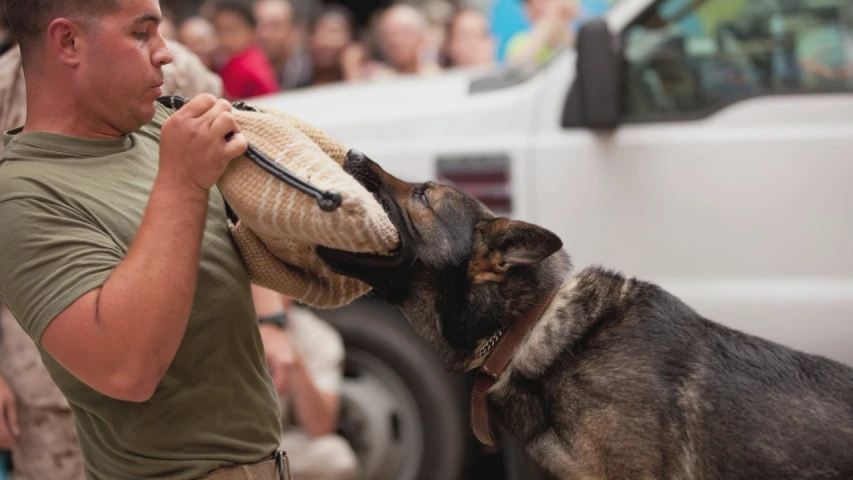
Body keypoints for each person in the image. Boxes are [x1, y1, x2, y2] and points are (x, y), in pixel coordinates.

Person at [0, 1, 290, 479]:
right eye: (141, 34)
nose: (166, 54)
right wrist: (181, 182)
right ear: (68, 42)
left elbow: (267, 226)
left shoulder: (161, 126)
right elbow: (127, 369)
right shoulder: (22, 197)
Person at [252, 288, 359, 480]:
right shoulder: (224, 324)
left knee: (335, 457)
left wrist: (294, 363)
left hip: (276, 447)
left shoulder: (316, 336)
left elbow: (321, 427)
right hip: (222, 444)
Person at [214, 1, 280, 99]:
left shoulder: (242, 67)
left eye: (232, 30)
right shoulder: (255, 56)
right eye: (219, 30)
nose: (224, 39)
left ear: (251, 31)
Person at [253, 0, 312, 90]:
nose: (264, 34)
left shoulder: (311, 71)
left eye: (275, 26)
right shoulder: (241, 70)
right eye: (258, 25)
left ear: (294, 31)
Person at [374, 4, 441, 77]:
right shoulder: (379, 82)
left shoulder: (438, 78)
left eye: (404, 33)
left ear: (421, 37)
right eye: (389, 34)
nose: (396, 41)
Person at [505, 0, 578, 66]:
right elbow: (516, 68)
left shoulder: (578, 39)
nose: (538, 6)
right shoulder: (519, 42)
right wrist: (549, 21)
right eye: (529, 2)